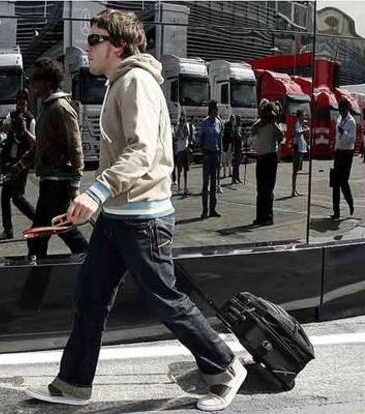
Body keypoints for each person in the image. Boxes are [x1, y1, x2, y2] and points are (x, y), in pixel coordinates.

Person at [25, 9, 247, 412]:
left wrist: (96, 192)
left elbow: (142, 151)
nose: (86, 48)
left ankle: (226, 367)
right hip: (119, 216)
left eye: (94, 41)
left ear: (119, 46)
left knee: (165, 299)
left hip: (144, 219)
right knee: (91, 297)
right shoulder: (119, 82)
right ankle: (74, 384)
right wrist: (96, 201)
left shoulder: (136, 82)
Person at [15, 57, 89, 258]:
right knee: (57, 228)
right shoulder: (48, 108)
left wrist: (75, 184)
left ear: (47, 81)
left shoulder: (60, 108)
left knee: (46, 231)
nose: (32, 86)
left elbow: (75, 147)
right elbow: (41, 145)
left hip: (59, 183)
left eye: (35, 80)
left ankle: (90, 261)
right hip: (50, 181)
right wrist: (22, 164)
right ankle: (89, 260)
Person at [0, 89, 36, 240]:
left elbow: (35, 143)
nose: (20, 104)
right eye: (18, 101)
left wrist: (24, 131)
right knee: (5, 196)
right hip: (10, 161)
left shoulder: (31, 119)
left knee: (17, 197)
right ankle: (8, 230)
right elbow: (3, 128)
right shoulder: (11, 116)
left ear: (27, 103)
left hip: (22, 162)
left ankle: (38, 220)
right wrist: (9, 127)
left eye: (23, 102)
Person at [251, 100, 283, 226]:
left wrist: (272, 122)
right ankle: (260, 217)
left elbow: (281, 137)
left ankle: (268, 217)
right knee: (260, 189)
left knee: (268, 189)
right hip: (261, 157)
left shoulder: (274, 125)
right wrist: (263, 121)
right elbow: (253, 130)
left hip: (270, 157)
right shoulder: (260, 123)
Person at [331, 97, 356, 220]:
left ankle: (350, 203)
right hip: (339, 152)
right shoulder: (340, 119)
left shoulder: (351, 121)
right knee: (335, 183)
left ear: (347, 109)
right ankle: (336, 212)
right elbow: (336, 136)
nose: (341, 112)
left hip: (347, 153)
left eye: (343, 110)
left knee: (343, 182)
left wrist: (343, 133)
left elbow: (352, 139)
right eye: (340, 110)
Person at [199, 100, 223, 219]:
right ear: (212, 109)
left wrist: (220, 154)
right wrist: (203, 152)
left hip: (216, 154)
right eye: (216, 108)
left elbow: (220, 139)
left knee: (214, 183)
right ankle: (205, 210)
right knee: (206, 184)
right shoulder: (205, 122)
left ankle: (213, 209)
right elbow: (200, 139)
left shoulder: (218, 123)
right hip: (207, 155)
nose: (217, 110)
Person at [292, 109, 309, 197]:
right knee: (295, 170)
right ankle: (293, 190)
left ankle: (295, 189)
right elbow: (297, 132)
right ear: (299, 116)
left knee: (298, 169)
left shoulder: (301, 123)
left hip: (301, 148)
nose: (304, 117)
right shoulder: (297, 123)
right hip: (297, 148)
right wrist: (305, 130)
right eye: (303, 115)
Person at [174, 113, 191, 195]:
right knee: (179, 169)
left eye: (183, 120)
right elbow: (176, 137)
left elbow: (188, 135)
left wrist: (185, 127)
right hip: (180, 150)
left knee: (185, 169)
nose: (182, 122)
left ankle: (185, 186)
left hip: (185, 149)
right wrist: (179, 129)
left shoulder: (186, 126)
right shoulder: (177, 127)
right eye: (181, 120)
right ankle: (179, 187)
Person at [232, 115, 243, 184]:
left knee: (238, 163)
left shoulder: (239, 127)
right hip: (236, 147)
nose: (240, 120)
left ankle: (237, 177)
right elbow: (237, 136)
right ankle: (234, 178)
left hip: (240, 147)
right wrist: (243, 137)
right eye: (239, 119)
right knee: (236, 163)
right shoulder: (236, 127)